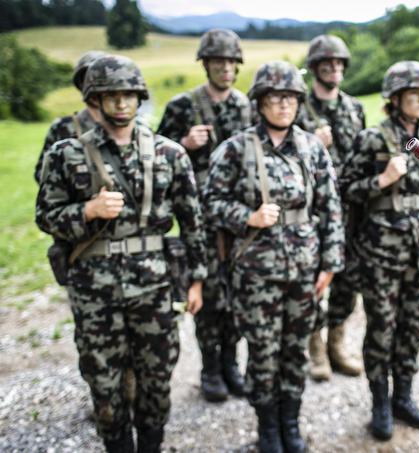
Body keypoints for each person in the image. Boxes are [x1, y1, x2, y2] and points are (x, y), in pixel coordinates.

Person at [35, 55, 207, 453]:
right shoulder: (68, 153)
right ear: (95, 98)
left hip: (155, 287)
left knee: (157, 381)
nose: (121, 104)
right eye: (110, 96)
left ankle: (151, 445)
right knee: (105, 387)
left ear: (140, 97)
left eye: (128, 95)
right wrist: (87, 211)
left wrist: (196, 279)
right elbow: (45, 215)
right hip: (95, 290)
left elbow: (192, 221)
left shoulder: (169, 154)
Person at [204, 60, 344, 453]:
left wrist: (330, 263)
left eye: (290, 98)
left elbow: (331, 208)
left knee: (294, 351)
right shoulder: (235, 149)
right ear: (260, 102)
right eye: (274, 98)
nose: (283, 105)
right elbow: (210, 203)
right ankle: (268, 428)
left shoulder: (311, 148)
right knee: (263, 353)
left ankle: (290, 423)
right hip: (256, 274)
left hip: (304, 270)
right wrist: (245, 216)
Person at [339, 60, 419, 440]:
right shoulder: (373, 139)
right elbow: (345, 190)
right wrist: (381, 180)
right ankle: (380, 403)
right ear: (395, 98)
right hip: (380, 256)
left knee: (414, 329)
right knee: (381, 332)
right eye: (413, 92)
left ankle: (403, 396)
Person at [157, 28, 250, 403]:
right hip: (200, 220)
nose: (225, 68)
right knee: (208, 297)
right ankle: (210, 368)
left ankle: (232, 364)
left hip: (239, 219)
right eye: (217, 62)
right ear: (206, 65)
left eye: (230, 62)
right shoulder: (183, 106)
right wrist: (183, 143)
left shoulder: (246, 105)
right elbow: (152, 156)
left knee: (238, 294)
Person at [297, 34, 366, 381]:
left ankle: (338, 345)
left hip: (350, 209)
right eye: (327, 64)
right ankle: (316, 350)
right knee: (313, 279)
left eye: (339, 63)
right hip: (312, 212)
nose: (335, 69)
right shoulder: (298, 109)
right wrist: (311, 144)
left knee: (348, 280)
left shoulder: (355, 108)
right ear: (314, 69)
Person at [34, 50, 107, 183]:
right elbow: (42, 173)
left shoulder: (128, 126)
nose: (94, 85)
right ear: (80, 84)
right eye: (88, 79)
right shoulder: (62, 127)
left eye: (100, 78)